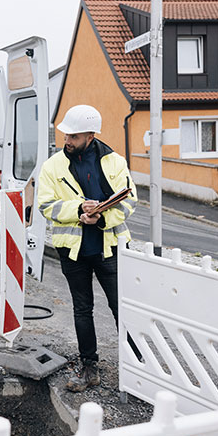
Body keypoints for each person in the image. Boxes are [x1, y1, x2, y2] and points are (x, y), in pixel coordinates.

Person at [38, 104, 141, 392]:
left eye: (74, 136)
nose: (67, 141)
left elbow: (130, 201)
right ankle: (89, 367)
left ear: (90, 135)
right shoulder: (52, 166)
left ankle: (136, 368)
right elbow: (46, 205)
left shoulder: (115, 162)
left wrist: (103, 216)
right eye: (66, 136)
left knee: (122, 307)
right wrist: (78, 209)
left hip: (110, 247)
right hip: (73, 251)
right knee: (83, 309)